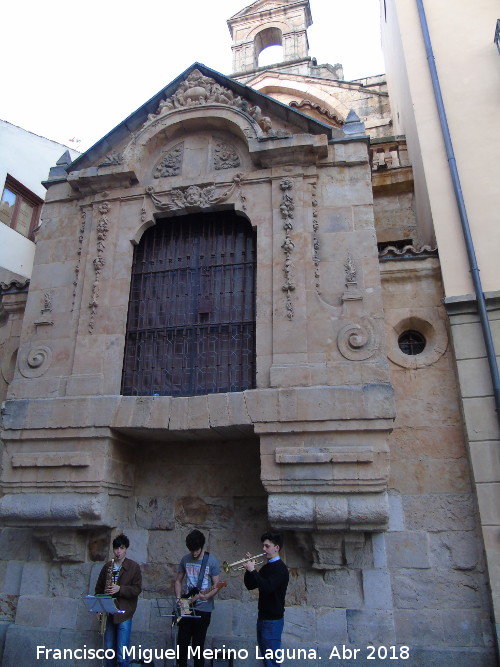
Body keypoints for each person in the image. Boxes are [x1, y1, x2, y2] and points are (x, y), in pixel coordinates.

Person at [174, 530, 221, 667]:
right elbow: (178, 581)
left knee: (198, 648)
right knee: (181, 646)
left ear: (202, 546)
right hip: (186, 606)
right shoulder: (185, 559)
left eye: (196, 550)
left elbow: (217, 585)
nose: (194, 553)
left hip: (204, 609)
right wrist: (178, 598)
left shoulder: (211, 561)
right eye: (191, 550)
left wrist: (207, 595)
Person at [95, 533, 142, 667]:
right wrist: (99, 609)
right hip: (109, 614)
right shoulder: (107, 567)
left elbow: (137, 589)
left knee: (122, 653)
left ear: (126, 549)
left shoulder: (134, 567)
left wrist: (119, 589)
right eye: (116, 548)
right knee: (109, 652)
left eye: (121, 548)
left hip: (124, 614)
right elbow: (98, 590)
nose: (118, 551)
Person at [243, 532, 289, 667]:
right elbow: (251, 585)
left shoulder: (280, 569)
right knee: (266, 659)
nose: (263, 549)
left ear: (277, 548)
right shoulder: (266, 567)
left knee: (272, 662)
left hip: (273, 621)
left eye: (267, 546)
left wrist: (253, 571)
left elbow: (267, 587)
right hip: (263, 618)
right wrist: (248, 571)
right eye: (263, 546)